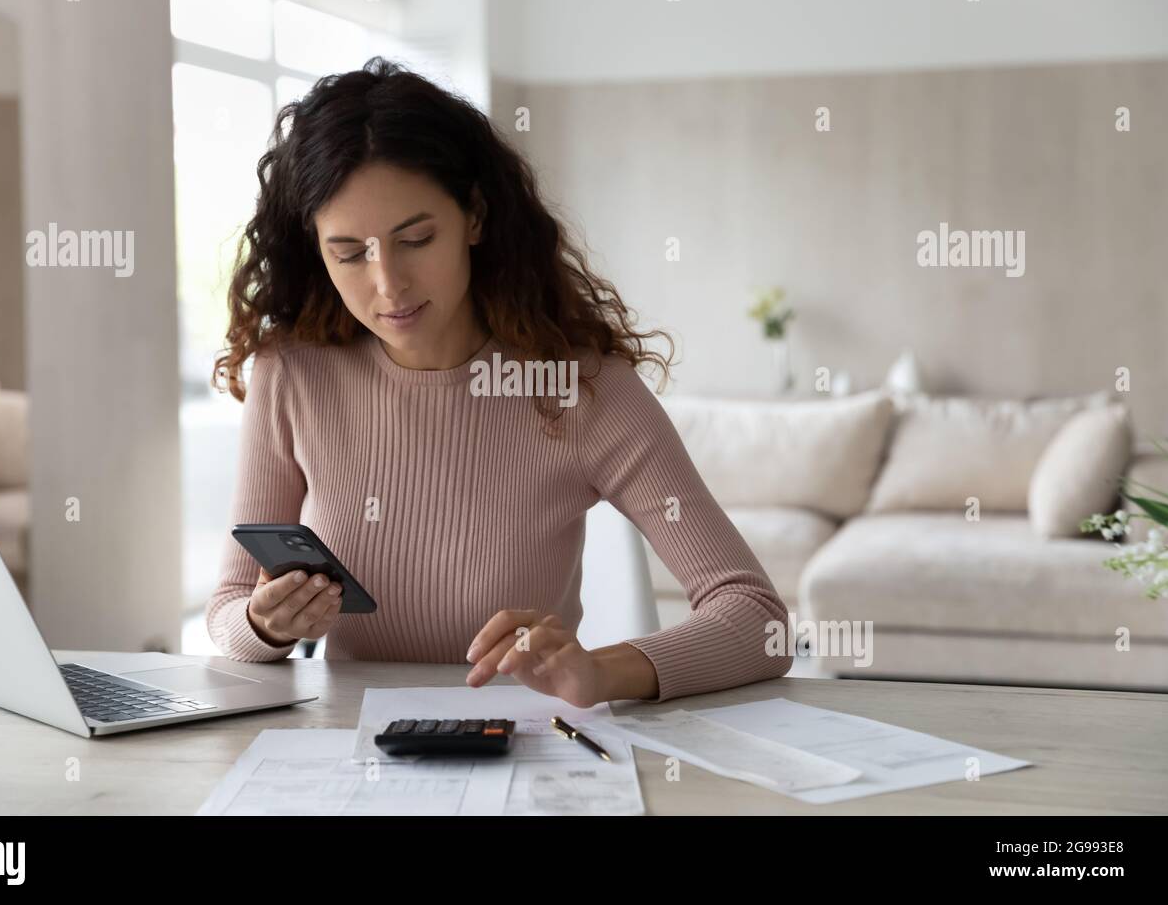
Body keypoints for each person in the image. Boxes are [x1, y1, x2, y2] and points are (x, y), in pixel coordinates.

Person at [206, 57, 791, 707]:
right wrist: (264, 624)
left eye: (417, 239)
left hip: (524, 753)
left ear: (475, 218)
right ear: (314, 249)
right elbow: (230, 609)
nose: (388, 284)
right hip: (352, 755)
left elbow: (757, 619)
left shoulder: (578, 387)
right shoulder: (293, 374)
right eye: (349, 253)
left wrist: (602, 672)